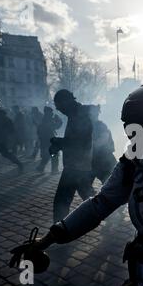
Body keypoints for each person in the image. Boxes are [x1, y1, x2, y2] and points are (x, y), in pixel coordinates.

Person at [11, 84, 143, 286]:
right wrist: (48, 239)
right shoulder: (131, 164)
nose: (140, 138)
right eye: (133, 130)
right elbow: (99, 205)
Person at [50, 90, 95, 223]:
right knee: (88, 196)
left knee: (61, 200)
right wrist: (60, 142)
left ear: (66, 102)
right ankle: (108, 210)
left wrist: (59, 142)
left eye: (59, 105)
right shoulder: (76, 114)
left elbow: (79, 141)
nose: (58, 109)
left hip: (76, 165)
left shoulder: (79, 116)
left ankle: (58, 231)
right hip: (79, 163)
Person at [89, 105, 117, 184]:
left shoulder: (101, 126)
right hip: (93, 160)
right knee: (85, 186)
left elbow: (102, 141)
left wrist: (88, 144)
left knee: (111, 184)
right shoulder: (88, 126)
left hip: (105, 160)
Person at [36, 106, 62, 173]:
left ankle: (40, 168)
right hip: (49, 141)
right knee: (54, 155)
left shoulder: (44, 118)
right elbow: (56, 126)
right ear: (48, 112)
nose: (52, 113)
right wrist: (59, 120)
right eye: (51, 112)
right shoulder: (48, 119)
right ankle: (54, 170)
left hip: (45, 141)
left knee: (47, 155)